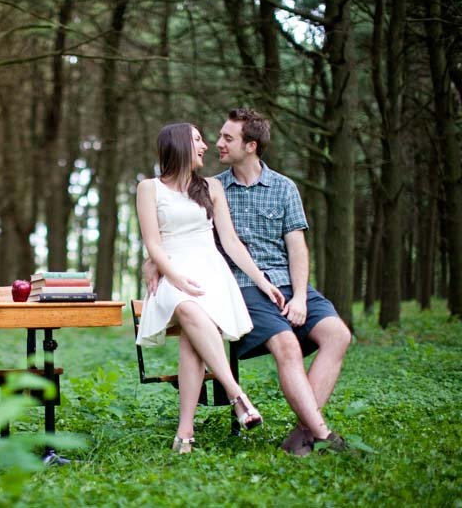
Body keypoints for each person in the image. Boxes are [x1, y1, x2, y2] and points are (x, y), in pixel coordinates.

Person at [145, 108, 352, 455]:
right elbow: (182, 229)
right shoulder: (210, 187)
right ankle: (322, 435)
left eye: (228, 138)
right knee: (286, 344)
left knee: (339, 335)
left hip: (285, 283)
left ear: (251, 145)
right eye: (215, 137)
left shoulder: (284, 188)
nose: (216, 144)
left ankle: (304, 431)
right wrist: (152, 261)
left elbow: (296, 247)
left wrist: (300, 295)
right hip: (240, 286)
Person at [135, 122, 285, 454]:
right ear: (178, 145)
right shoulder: (150, 188)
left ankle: (184, 434)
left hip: (210, 274)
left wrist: (263, 280)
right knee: (188, 308)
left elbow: (230, 243)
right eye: (198, 140)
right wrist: (173, 276)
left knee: (192, 338)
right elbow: (153, 244)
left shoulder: (211, 188)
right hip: (172, 273)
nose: (205, 146)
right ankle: (237, 395)